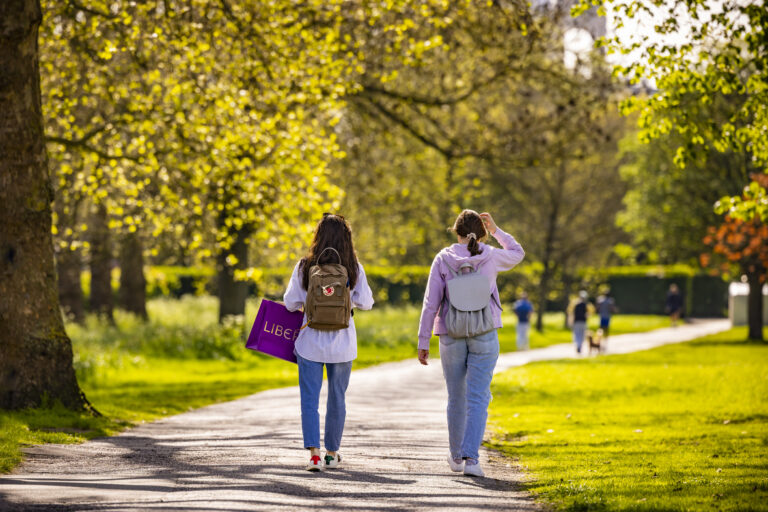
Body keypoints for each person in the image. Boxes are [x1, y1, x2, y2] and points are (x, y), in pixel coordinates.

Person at [417, 210, 524, 477]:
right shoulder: (490, 255)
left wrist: (423, 340)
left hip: (451, 335)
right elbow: (518, 252)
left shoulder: (443, 258)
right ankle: (472, 460)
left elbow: (431, 303)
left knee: (456, 396)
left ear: (456, 232)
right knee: (478, 398)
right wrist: (498, 230)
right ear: (483, 232)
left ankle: (455, 456)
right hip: (484, 332)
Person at [284, 214, 374, 472]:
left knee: (309, 399)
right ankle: (331, 454)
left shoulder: (305, 266)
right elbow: (366, 302)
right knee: (337, 398)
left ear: (318, 236)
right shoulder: (354, 267)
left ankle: (313, 454)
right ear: (347, 238)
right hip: (343, 344)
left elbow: (291, 302)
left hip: (309, 341)